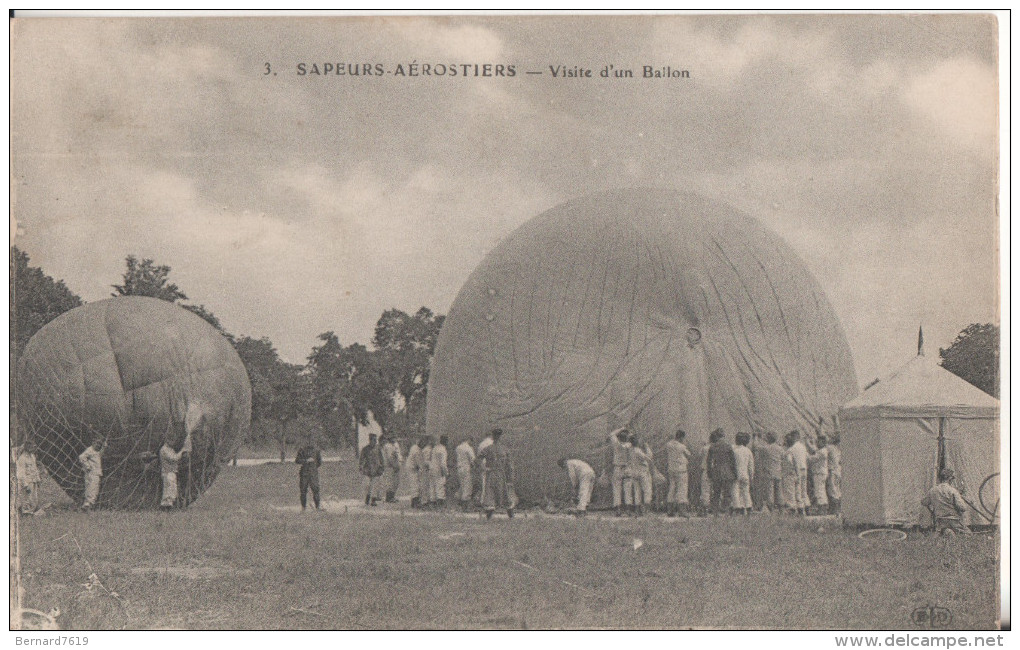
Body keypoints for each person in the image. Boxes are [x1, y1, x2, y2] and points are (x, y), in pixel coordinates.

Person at [478, 428, 515, 519]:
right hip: (502, 474)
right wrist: (510, 477)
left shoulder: (488, 449)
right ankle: (511, 515)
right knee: (505, 493)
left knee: (490, 493)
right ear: (500, 437)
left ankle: (489, 516)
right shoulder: (505, 449)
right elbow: (510, 465)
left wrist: (484, 468)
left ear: (493, 436)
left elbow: (478, 459)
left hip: (491, 473)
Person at [922, 468, 970, 535]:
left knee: (941, 532)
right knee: (968, 534)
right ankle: (950, 532)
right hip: (954, 521)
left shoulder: (933, 490)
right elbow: (962, 508)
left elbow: (924, 502)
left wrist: (932, 511)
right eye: (952, 478)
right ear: (950, 478)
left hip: (939, 521)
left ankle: (946, 532)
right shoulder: (953, 491)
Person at [706, 429, 736, 515]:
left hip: (716, 471)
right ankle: (725, 509)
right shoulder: (728, 446)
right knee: (727, 493)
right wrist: (735, 473)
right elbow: (733, 461)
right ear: (723, 436)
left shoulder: (712, 447)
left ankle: (715, 510)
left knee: (716, 493)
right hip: (727, 471)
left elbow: (708, 461)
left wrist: (709, 472)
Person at [159, 434, 191, 510]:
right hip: (168, 472)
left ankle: (169, 506)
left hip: (171, 472)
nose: (174, 443)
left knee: (172, 489)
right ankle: (165, 507)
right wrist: (183, 450)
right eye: (172, 441)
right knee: (169, 490)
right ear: (168, 441)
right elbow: (174, 458)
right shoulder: (165, 449)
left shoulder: (169, 449)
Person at [665, 429, 691, 517]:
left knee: (672, 489)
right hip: (681, 470)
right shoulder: (681, 446)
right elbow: (689, 454)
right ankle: (682, 511)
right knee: (682, 490)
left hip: (671, 469)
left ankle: (670, 510)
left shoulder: (668, 444)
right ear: (681, 437)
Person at [608, 427, 632, 516]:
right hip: (627, 468)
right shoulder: (630, 445)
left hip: (618, 468)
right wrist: (628, 431)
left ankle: (618, 510)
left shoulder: (616, 445)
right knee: (628, 490)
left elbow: (611, 434)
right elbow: (633, 437)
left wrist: (622, 428)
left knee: (617, 489)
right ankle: (628, 510)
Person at [783, 431, 808, 516]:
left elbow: (789, 461)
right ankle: (804, 508)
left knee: (791, 491)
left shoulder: (791, 449)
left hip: (794, 470)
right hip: (803, 469)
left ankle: (792, 509)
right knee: (802, 490)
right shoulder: (803, 447)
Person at [628, 434, 654, 515]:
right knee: (647, 491)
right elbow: (649, 457)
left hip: (634, 472)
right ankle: (647, 511)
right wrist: (647, 447)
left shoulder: (630, 450)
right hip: (642, 472)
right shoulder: (637, 450)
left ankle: (637, 510)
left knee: (637, 491)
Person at [295, 439, 323, 511]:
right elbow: (297, 460)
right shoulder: (302, 450)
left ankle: (317, 507)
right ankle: (303, 507)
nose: (310, 443)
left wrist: (313, 468)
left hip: (313, 474)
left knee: (316, 489)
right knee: (303, 490)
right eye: (308, 441)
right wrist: (306, 461)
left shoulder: (316, 450)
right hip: (304, 473)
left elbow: (319, 462)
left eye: (312, 441)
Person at [760, 432, 784, 512]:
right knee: (779, 491)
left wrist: (757, 438)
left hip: (769, 472)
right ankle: (781, 509)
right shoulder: (780, 449)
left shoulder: (765, 448)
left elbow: (756, 448)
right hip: (778, 472)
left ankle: (772, 509)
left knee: (769, 492)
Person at [15, 441, 41, 514]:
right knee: (27, 496)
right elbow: (21, 473)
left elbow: (35, 468)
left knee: (34, 496)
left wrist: (38, 479)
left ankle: (32, 509)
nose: (34, 449)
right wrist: (25, 484)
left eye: (34, 447)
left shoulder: (32, 456)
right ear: (28, 448)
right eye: (33, 447)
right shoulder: (22, 458)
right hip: (27, 480)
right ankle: (25, 511)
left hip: (33, 480)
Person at [732, 432, 754, 516]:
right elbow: (751, 465)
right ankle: (749, 507)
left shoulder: (734, 450)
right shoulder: (748, 451)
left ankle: (738, 507)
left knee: (735, 491)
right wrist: (751, 476)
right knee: (746, 491)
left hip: (736, 474)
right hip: (745, 474)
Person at [359, 433, 385, 506]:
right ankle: (367, 497)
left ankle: (373, 500)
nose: (375, 441)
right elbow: (361, 459)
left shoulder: (378, 448)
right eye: (373, 440)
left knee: (375, 485)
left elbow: (382, 459)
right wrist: (361, 467)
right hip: (368, 470)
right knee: (367, 485)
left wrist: (382, 467)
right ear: (370, 440)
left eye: (375, 440)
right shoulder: (365, 449)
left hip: (376, 470)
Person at [78, 439, 104, 512]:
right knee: (93, 488)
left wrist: (104, 448)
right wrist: (87, 466)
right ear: (93, 443)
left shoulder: (95, 451)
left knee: (91, 488)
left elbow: (99, 455)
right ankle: (88, 505)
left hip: (94, 473)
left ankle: (87, 505)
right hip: (92, 473)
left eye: (100, 444)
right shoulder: (90, 450)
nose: (98, 445)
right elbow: (81, 457)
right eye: (97, 443)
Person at [807, 435, 830, 515]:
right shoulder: (822, 450)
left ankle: (821, 509)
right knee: (822, 490)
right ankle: (823, 508)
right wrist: (809, 443)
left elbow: (812, 458)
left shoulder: (822, 452)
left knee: (819, 491)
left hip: (819, 473)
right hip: (821, 473)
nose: (817, 443)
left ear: (823, 442)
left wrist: (805, 455)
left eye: (819, 441)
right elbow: (814, 449)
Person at [455, 437, 477, 508]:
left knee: (462, 485)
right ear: (469, 440)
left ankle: (459, 501)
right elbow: (472, 459)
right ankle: (465, 505)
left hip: (459, 468)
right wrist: (474, 467)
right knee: (467, 486)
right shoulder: (469, 448)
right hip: (466, 468)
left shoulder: (458, 448)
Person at [381, 434, 403, 503]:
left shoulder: (395, 445)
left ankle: (392, 496)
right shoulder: (388, 446)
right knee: (390, 482)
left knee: (396, 482)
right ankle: (389, 497)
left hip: (395, 465)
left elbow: (398, 455)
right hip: (390, 466)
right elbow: (390, 458)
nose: (394, 439)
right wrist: (395, 466)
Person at [431, 435, 450, 507]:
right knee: (440, 485)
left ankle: (432, 502)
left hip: (432, 468)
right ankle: (440, 504)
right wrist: (446, 472)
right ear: (446, 441)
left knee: (433, 485)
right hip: (439, 469)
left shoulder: (435, 448)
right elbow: (443, 463)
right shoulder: (443, 449)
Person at [405, 437, 424, 508]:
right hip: (412, 468)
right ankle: (415, 502)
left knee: (415, 484)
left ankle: (414, 502)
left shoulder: (414, 447)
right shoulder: (417, 450)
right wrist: (422, 469)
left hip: (411, 467)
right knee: (415, 485)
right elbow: (419, 463)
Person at [826, 434, 842, 514]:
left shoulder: (830, 447)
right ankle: (838, 509)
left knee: (832, 489)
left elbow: (819, 450)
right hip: (838, 470)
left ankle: (835, 510)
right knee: (837, 490)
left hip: (832, 471)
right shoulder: (839, 449)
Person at [419, 436, 435, 508]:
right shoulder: (427, 450)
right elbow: (425, 461)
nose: (434, 442)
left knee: (427, 486)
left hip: (427, 469)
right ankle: (424, 502)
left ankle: (425, 501)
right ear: (429, 441)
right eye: (432, 441)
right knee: (425, 486)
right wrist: (432, 465)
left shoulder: (429, 449)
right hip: (425, 470)